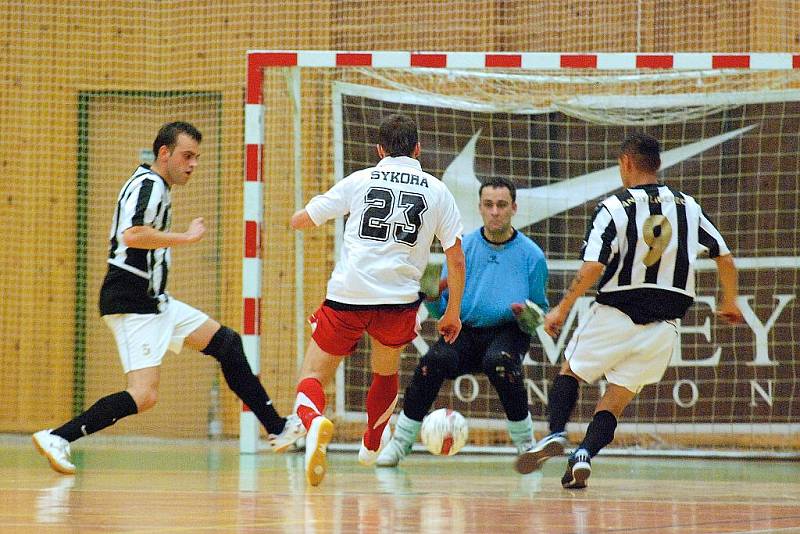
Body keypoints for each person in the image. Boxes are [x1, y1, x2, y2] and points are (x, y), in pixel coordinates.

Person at [33, 121, 304, 474]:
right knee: (144, 395)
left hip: (156, 300)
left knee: (227, 343)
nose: (192, 164)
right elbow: (132, 235)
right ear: (164, 153)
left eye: (196, 158)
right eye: (186, 156)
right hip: (131, 301)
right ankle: (58, 437)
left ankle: (279, 428)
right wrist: (187, 238)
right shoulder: (149, 185)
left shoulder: (157, 186)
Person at [515, 132, 744, 488]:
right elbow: (725, 258)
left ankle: (557, 434)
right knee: (616, 399)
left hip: (615, 313)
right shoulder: (689, 206)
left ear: (625, 163)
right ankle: (584, 455)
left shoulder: (613, 207)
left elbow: (593, 266)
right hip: (664, 326)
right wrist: (729, 301)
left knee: (570, 371)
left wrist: (561, 308)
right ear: (658, 164)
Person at [289, 113, 466, 486]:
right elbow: (456, 257)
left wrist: (298, 217)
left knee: (312, 376)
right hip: (398, 300)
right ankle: (372, 442)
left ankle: (314, 421)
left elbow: (304, 219)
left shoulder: (361, 179)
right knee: (385, 371)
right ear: (418, 149)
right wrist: (452, 313)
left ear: (379, 150)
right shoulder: (437, 190)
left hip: (348, 295)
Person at [376, 176, 549, 467]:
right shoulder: (461, 248)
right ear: (480, 208)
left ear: (514, 208)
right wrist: (430, 298)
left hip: (508, 332)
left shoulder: (532, 256)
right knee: (432, 363)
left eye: (502, 205)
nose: (495, 211)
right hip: (464, 331)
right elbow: (442, 310)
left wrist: (529, 317)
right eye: (489, 205)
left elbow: (538, 313)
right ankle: (400, 443)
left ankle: (525, 446)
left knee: (501, 362)